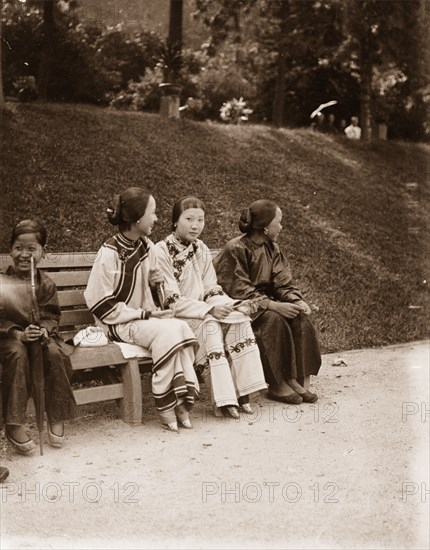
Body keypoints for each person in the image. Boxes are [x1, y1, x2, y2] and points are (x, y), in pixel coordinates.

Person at [84, 188, 199, 432]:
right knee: (167, 332)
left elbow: (151, 297)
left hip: (142, 320)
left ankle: (181, 399)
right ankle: (167, 403)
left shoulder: (146, 247)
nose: (156, 218)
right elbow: (99, 302)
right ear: (137, 218)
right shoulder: (109, 253)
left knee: (181, 326)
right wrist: (143, 314)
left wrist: (154, 284)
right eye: (153, 213)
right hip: (116, 324)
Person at [155, 197, 267, 418]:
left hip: (203, 311)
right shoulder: (161, 251)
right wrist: (208, 311)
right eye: (189, 219)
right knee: (211, 326)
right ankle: (223, 399)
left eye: (200, 220)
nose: (195, 225)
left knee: (240, 319)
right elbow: (170, 299)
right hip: (174, 317)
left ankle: (241, 392)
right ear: (175, 221)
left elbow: (210, 288)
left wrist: (232, 305)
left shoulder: (201, 248)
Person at [213, 200, 321, 405]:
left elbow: (282, 283)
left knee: (299, 318)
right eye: (278, 222)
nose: (281, 227)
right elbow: (238, 288)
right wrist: (272, 305)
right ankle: (277, 383)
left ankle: (297, 380)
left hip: (264, 303)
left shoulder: (273, 248)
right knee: (273, 321)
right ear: (265, 226)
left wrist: (296, 301)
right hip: (240, 307)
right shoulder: (236, 248)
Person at [0, 220, 76, 454]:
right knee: (17, 353)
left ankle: (57, 416)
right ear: (10, 250)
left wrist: (44, 329)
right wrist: (18, 333)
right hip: (9, 339)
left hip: (41, 339)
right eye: (18, 248)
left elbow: (52, 315)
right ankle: (14, 423)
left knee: (55, 353)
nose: (24, 254)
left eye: (31, 249)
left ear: (42, 252)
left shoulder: (47, 284)